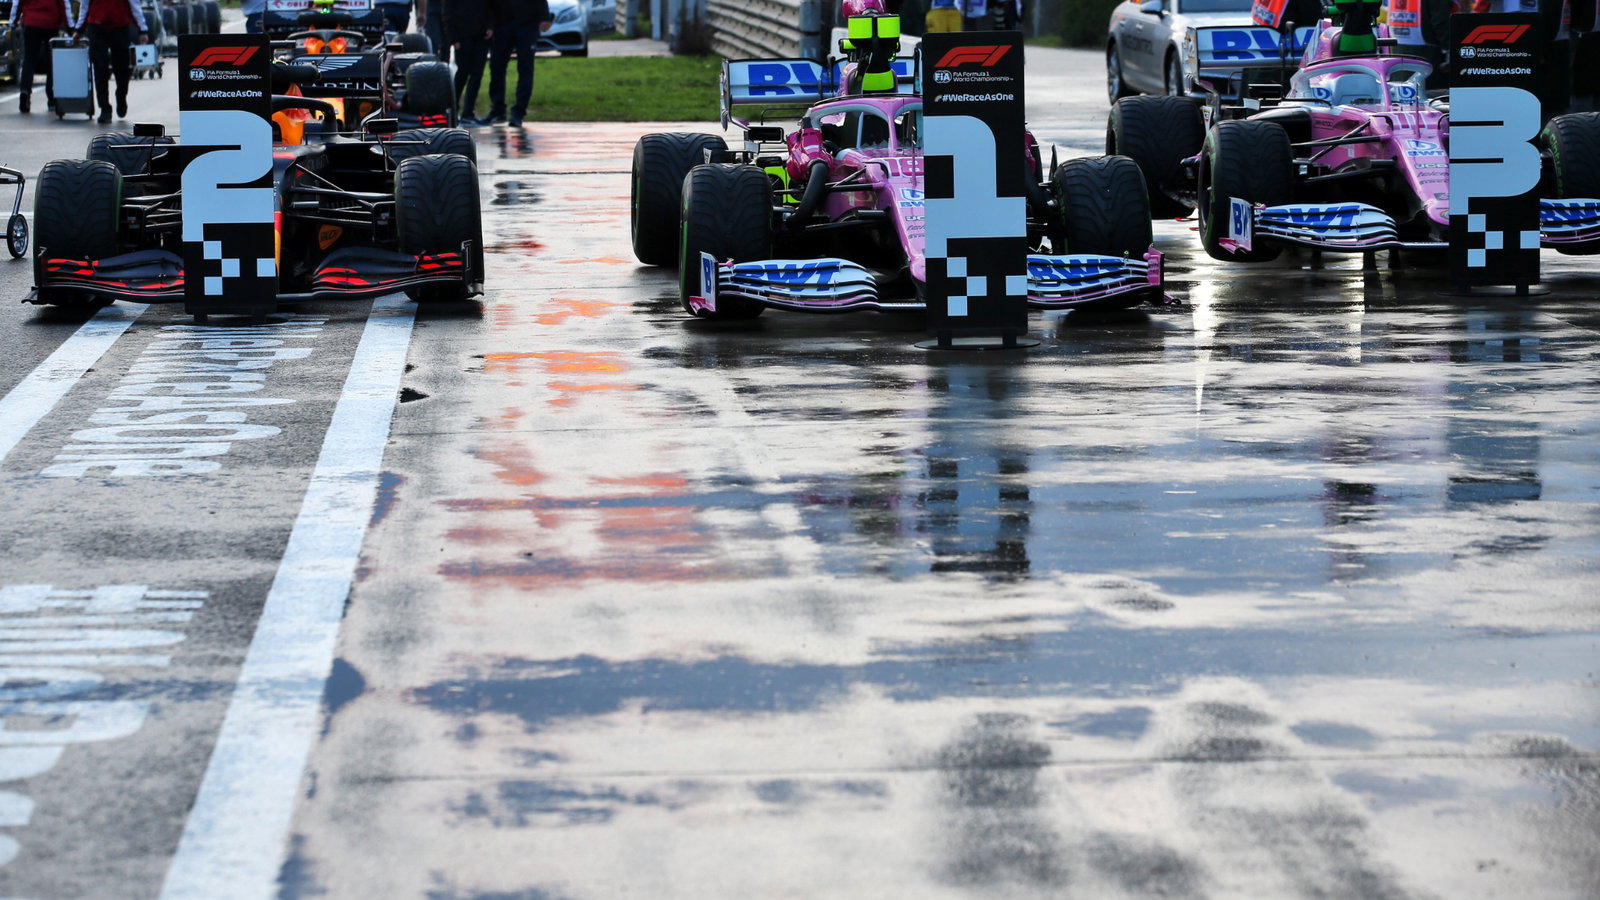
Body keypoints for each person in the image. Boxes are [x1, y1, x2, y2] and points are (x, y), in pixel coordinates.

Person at [72, 0, 150, 124]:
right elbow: (85, 5)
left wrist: (142, 29)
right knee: (99, 67)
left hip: (120, 26)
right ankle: (105, 108)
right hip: (97, 27)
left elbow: (134, 5)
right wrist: (79, 28)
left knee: (122, 69)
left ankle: (121, 96)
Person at [483, 0, 550, 127]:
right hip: (502, 22)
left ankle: (519, 112)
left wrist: (544, 16)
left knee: (525, 68)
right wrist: (490, 24)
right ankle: (498, 109)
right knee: (496, 66)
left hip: (527, 24)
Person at [10, 0, 71, 113]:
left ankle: (25, 91)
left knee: (29, 61)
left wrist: (13, 22)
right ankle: (52, 97)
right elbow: (64, 4)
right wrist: (69, 26)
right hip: (51, 24)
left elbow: (17, 3)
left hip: (31, 23)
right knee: (51, 62)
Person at [445, 0, 495, 124]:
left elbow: (492, 7)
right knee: (462, 74)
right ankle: (452, 109)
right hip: (462, 37)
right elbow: (448, 13)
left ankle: (468, 112)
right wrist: (453, 38)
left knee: (476, 76)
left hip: (481, 36)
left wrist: (490, 26)